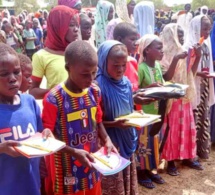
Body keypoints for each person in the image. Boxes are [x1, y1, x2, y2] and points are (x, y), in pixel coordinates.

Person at [42, 40, 115, 195]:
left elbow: (98, 120)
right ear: (68, 68)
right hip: (66, 166)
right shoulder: (54, 99)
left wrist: (106, 139)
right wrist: (73, 151)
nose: (90, 78)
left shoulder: (94, 92)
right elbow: (46, 139)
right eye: (84, 74)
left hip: (92, 162)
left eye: (94, 72)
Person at [0, 42, 52, 195]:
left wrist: (46, 134)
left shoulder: (30, 103)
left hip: (31, 185)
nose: (13, 79)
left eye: (17, 72)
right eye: (4, 74)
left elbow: (40, 134)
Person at [160, 23, 203, 176]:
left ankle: (187, 157)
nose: (182, 37)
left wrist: (197, 57)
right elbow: (166, 77)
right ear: (170, 36)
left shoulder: (184, 52)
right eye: (179, 34)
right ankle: (171, 160)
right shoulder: (162, 54)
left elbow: (190, 73)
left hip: (183, 98)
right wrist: (175, 59)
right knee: (171, 130)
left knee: (186, 128)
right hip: (171, 99)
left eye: (182, 34)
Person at [96, 40, 138, 195]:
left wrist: (136, 116)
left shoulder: (126, 82)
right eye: (115, 65)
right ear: (103, 61)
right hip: (109, 142)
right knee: (112, 182)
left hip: (126, 137)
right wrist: (115, 124)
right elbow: (95, 121)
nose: (120, 69)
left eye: (123, 64)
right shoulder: (97, 86)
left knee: (126, 175)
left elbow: (128, 107)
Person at [29, 5, 79, 99]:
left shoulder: (79, 50)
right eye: (71, 25)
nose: (76, 29)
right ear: (58, 27)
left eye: (77, 25)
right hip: (58, 111)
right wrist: (60, 92)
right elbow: (32, 91)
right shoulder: (41, 56)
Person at [185, 15, 215, 159]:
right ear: (197, 28)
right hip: (194, 85)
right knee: (194, 117)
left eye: (210, 28)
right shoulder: (189, 46)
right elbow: (186, 71)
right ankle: (190, 154)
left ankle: (201, 150)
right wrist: (199, 74)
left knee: (203, 116)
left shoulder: (207, 43)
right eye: (204, 28)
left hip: (204, 86)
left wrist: (208, 74)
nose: (208, 31)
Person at [136, 34, 165, 189]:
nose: (162, 51)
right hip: (144, 114)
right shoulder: (141, 68)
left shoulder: (158, 66)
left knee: (154, 142)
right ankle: (141, 172)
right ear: (147, 50)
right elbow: (135, 90)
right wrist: (149, 88)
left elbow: (162, 83)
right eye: (159, 48)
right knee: (143, 145)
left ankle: (150, 170)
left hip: (156, 113)